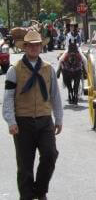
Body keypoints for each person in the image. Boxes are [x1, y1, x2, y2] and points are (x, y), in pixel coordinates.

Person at [2, 30, 63, 200]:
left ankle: (40, 191)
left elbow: (55, 95)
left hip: (45, 121)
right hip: (23, 122)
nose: (34, 48)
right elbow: (7, 98)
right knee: (25, 166)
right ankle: (27, 197)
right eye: (31, 45)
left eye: (37, 45)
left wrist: (58, 118)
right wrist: (11, 121)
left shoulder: (48, 69)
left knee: (50, 154)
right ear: (25, 47)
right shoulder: (14, 70)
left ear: (41, 47)